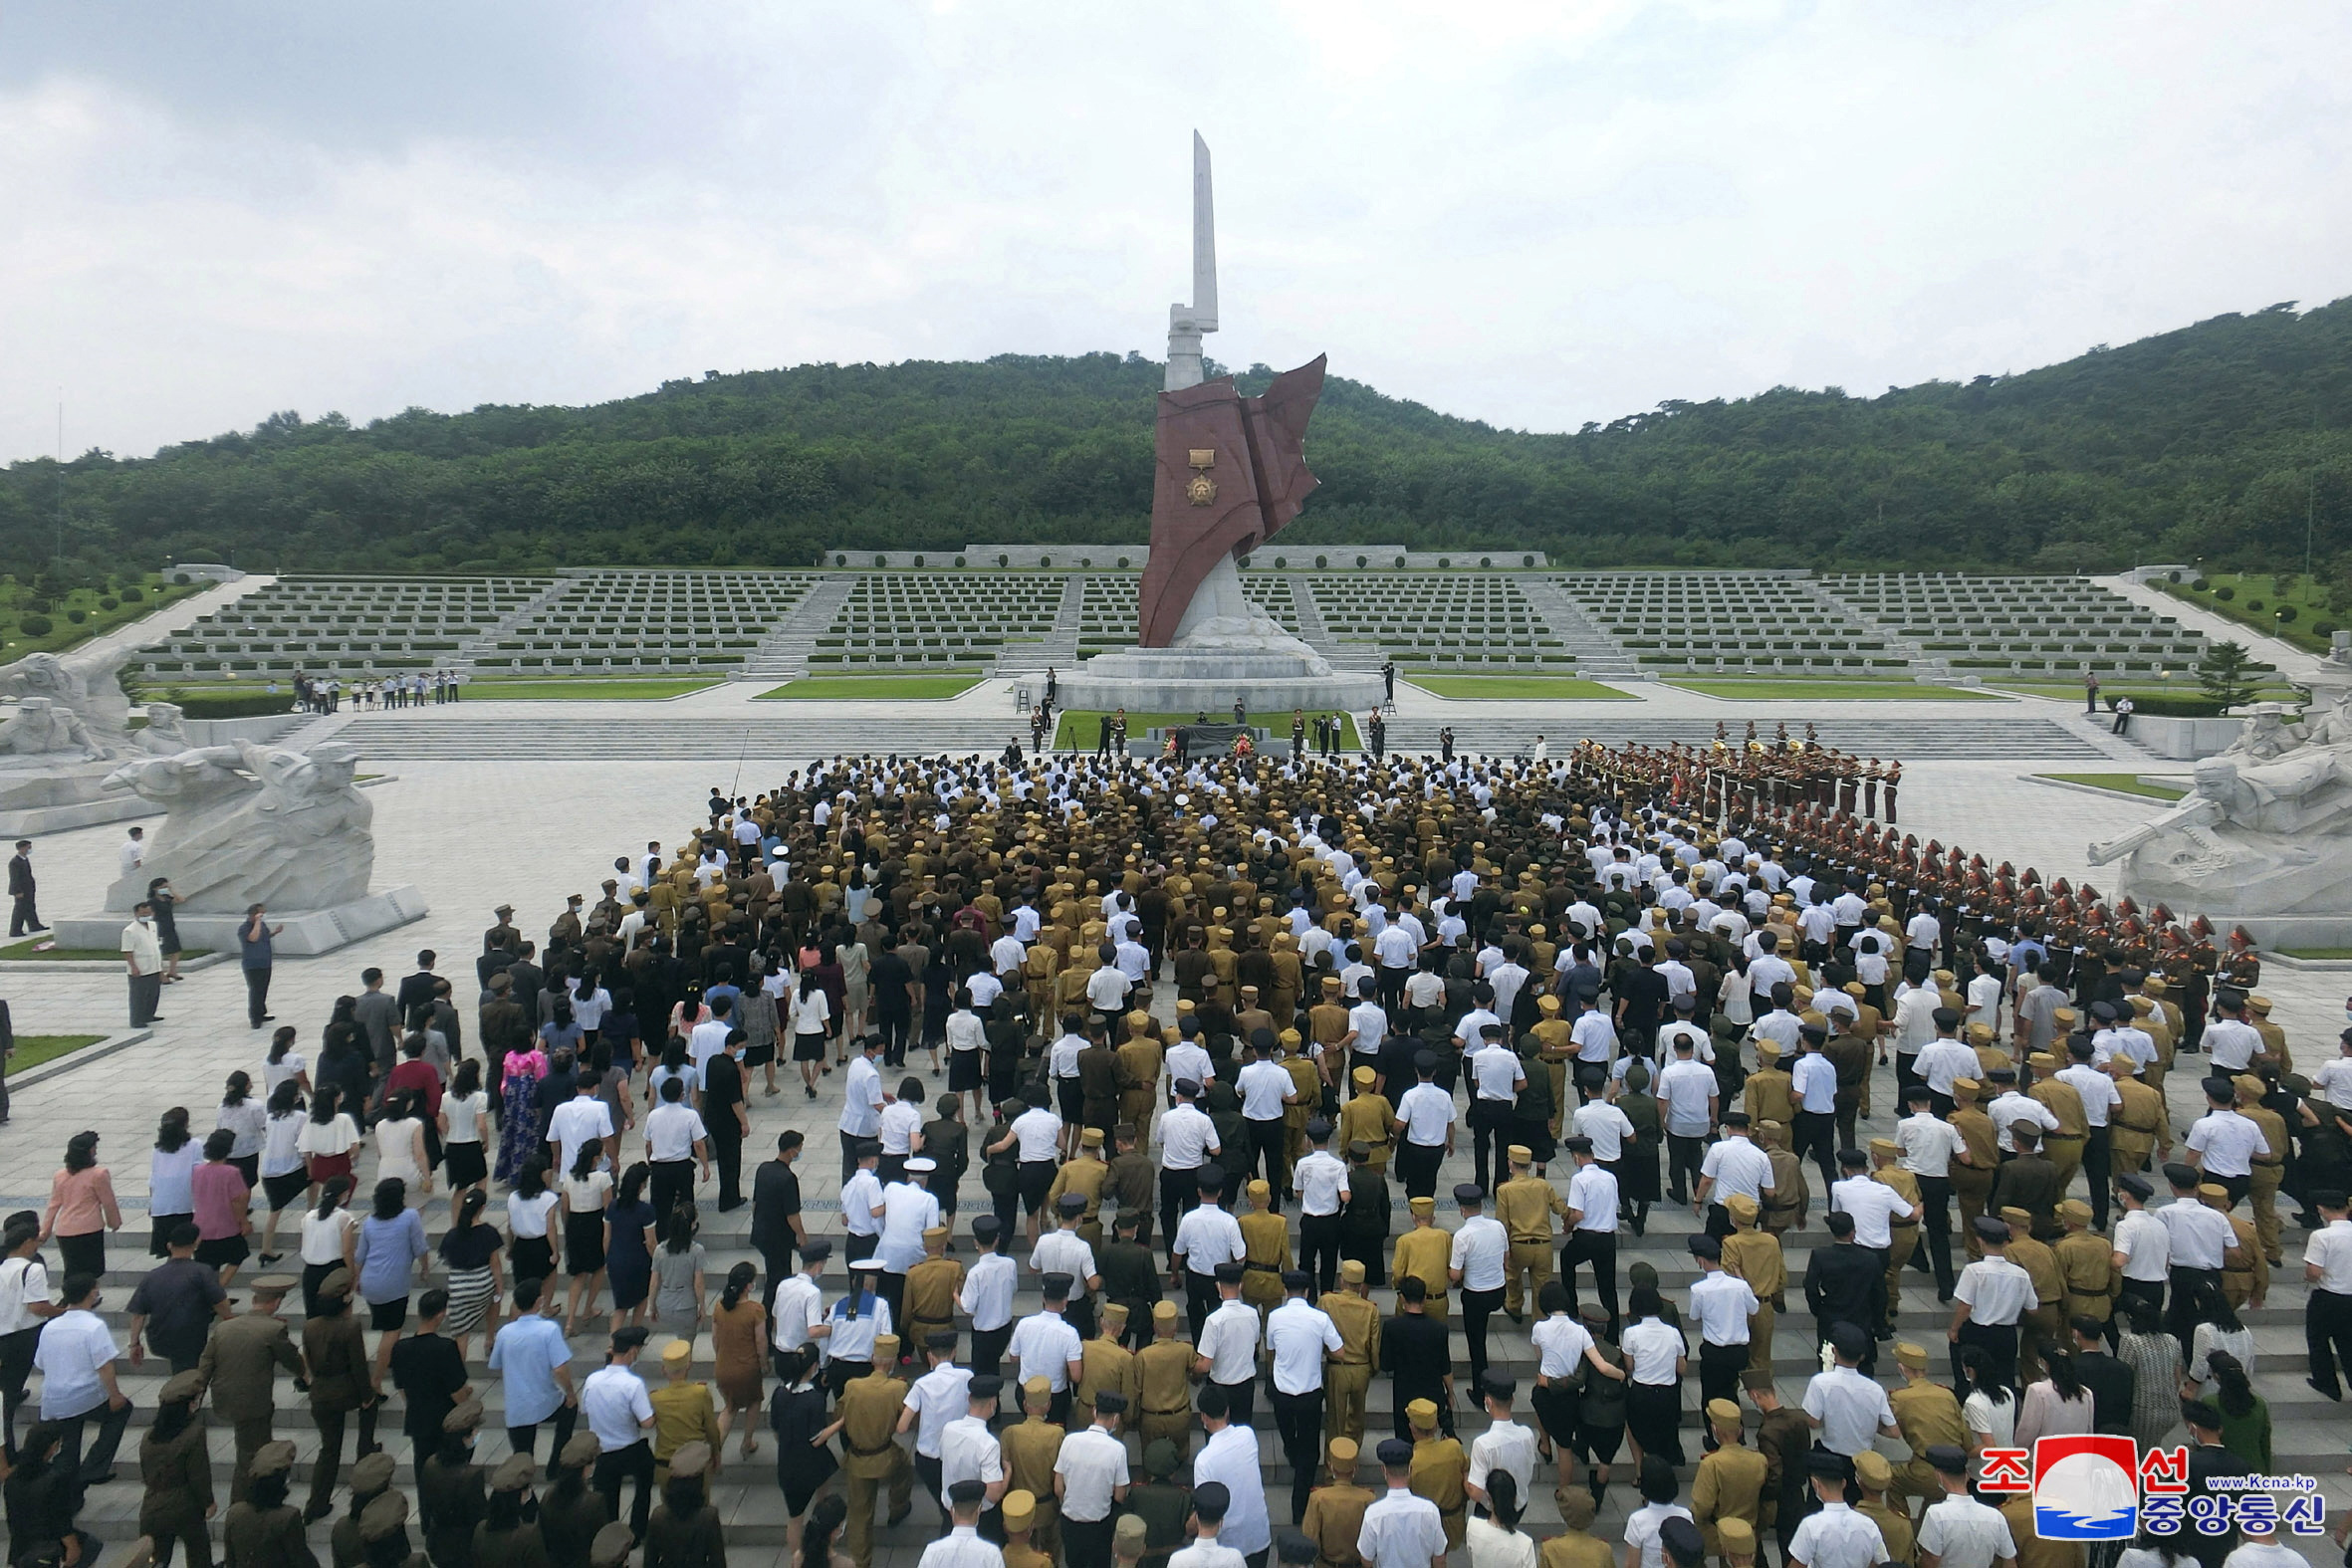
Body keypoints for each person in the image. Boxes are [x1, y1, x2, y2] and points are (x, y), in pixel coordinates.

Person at [32, 1271, 129, 1487]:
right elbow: (104, 1365)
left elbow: (40, 1363)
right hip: (86, 1396)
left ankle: (68, 1494)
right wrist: (114, 1395)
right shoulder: (93, 1326)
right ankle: (94, 1468)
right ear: (91, 1294)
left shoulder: (50, 1327)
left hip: (55, 1399)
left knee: (69, 1446)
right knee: (121, 1410)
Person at [302, 1265, 377, 1524]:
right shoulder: (350, 1327)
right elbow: (358, 1365)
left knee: (329, 1450)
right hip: (346, 1391)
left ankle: (316, 1503)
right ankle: (365, 1458)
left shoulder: (310, 1326)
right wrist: (367, 1394)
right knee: (371, 1409)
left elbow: (309, 1361)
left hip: (321, 1392)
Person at [491, 1273, 579, 1459]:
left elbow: (497, 1364)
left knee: (522, 1456)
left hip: (517, 1405)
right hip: (545, 1400)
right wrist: (570, 1393)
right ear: (539, 1301)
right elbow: (560, 1369)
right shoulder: (549, 1329)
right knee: (569, 1409)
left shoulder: (504, 1333)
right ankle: (557, 1462)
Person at [123, 1222, 228, 1376]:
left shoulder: (152, 1276)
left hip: (159, 1339)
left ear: (169, 1246)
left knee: (181, 1370)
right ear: (196, 1243)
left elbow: (138, 1314)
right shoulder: (202, 1272)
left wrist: (134, 1344)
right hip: (191, 1337)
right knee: (188, 1375)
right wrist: (231, 1318)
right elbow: (220, 1303)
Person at [136, 1370, 213, 1568]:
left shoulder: (149, 1437)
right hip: (185, 1507)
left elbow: (146, 1474)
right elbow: (199, 1474)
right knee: (199, 1556)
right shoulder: (194, 1434)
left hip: (152, 1507)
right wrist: (208, 1502)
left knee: (155, 1561)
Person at [38, 1131, 119, 1279]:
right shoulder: (98, 1174)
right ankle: (89, 1296)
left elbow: (53, 1205)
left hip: (65, 1230)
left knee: (73, 1267)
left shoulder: (60, 1175)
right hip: (90, 1228)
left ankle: (74, 1295)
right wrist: (114, 1222)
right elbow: (108, 1202)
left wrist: (45, 1230)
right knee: (92, 1269)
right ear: (89, 1151)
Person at [123, 898, 164, 1025]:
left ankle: (149, 1015)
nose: (146, 916)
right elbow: (127, 951)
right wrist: (133, 967)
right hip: (140, 967)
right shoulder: (130, 931)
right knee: (139, 995)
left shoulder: (153, 925)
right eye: (143, 914)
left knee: (153, 993)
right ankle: (137, 1020)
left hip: (154, 965)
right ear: (136, 914)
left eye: (148, 914)